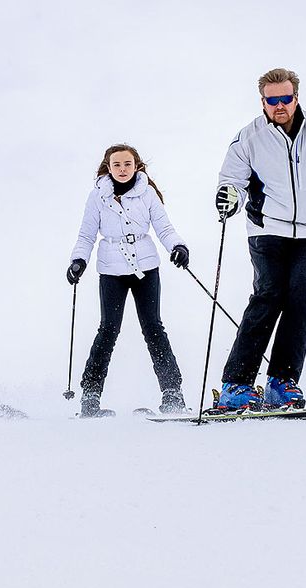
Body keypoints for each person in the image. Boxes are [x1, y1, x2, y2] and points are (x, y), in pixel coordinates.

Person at [212, 67, 306, 413]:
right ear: (262, 101)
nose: (280, 106)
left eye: (286, 98)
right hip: (267, 229)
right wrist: (228, 196)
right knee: (269, 294)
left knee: (301, 297)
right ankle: (236, 384)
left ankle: (281, 382)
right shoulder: (248, 137)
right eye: (272, 100)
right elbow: (230, 179)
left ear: (297, 96)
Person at [67, 144, 190, 416]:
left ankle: (173, 394)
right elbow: (86, 235)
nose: (122, 170)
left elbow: (164, 228)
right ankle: (90, 396)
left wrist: (177, 247)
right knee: (108, 329)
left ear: (136, 166)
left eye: (127, 164)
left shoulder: (147, 195)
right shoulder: (97, 197)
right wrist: (79, 261)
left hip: (146, 267)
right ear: (108, 168)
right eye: (117, 165)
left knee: (154, 328)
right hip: (111, 270)